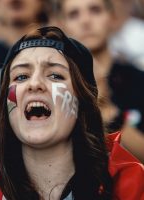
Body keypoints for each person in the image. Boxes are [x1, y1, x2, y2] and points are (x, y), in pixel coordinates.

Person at [0, 26, 144, 200]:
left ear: (82, 102)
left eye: (55, 75)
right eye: (21, 76)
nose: (34, 83)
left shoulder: (132, 186)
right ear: (5, 105)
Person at [55, 0, 144, 163]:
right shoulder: (53, 85)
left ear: (112, 17)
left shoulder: (139, 81)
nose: (85, 21)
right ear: (62, 24)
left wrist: (107, 109)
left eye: (95, 10)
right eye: (74, 14)